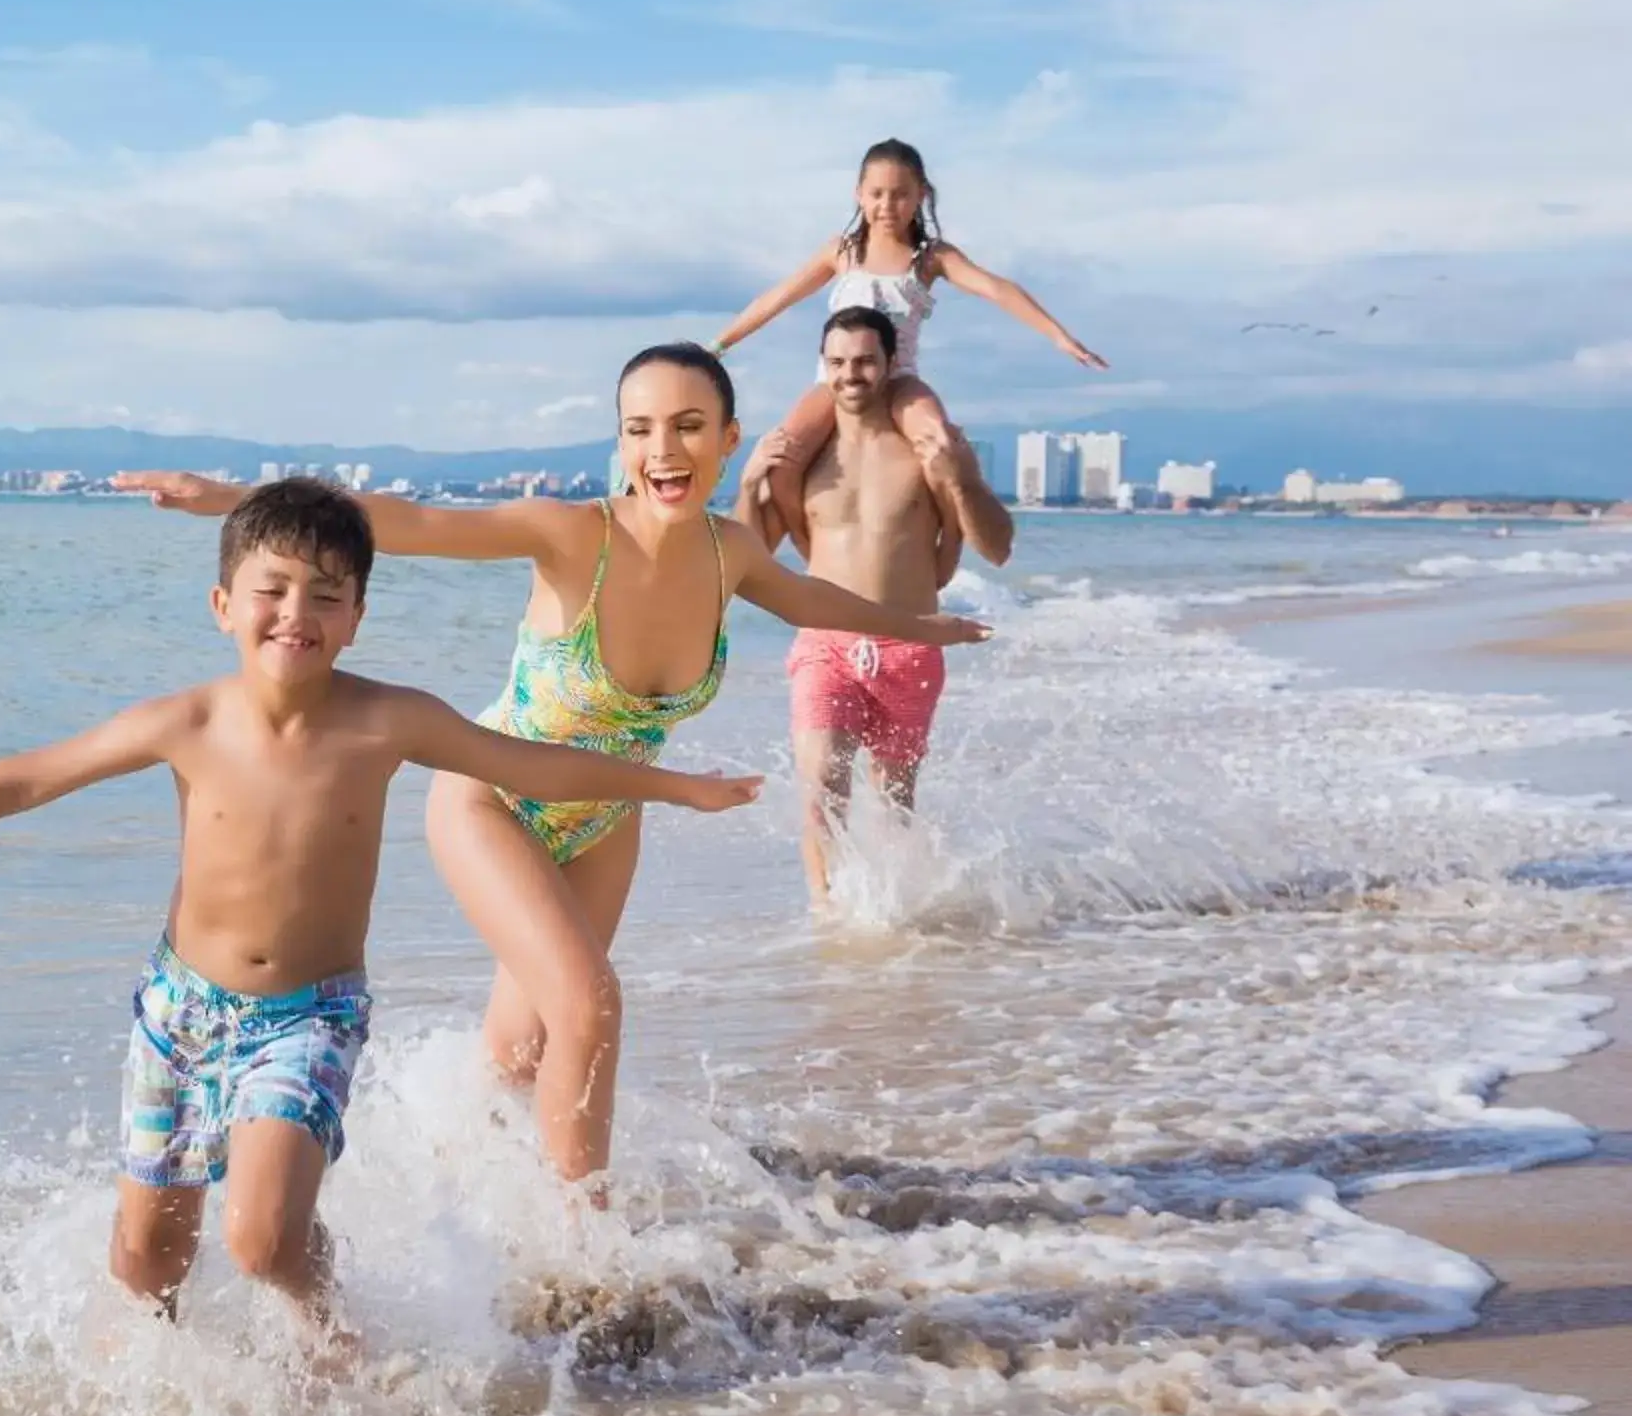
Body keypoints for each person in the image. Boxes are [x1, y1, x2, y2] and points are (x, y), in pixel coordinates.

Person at [0, 479, 761, 1353]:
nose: (298, 613)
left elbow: (530, 764)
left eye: (327, 594)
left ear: (359, 614)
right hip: (179, 1012)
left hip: (311, 1015)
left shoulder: (389, 719)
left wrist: (669, 784)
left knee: (260, 1241)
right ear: (222, 605)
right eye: (273, 589)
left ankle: (331, 1330)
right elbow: (27, 779)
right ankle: (170, 1393)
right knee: (147, 1265)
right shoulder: (188, 723)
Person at [118, 345, 988, 1191]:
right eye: (640, 428)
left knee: (519, 1054)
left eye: (689, 426)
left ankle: (452, 1187)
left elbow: (811, 600)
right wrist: (235, 500)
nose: (662, 451)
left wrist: (923, 626)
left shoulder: (733, 554)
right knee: (591, 1004)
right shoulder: (574, 535)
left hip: (606, 816)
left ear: (730, 439)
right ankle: (585, 1242)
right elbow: (411, 521)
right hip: (491, 800)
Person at [713, 137, 1104, 556]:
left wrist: (1058, 335)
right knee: (781, 458)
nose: (887, 206)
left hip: (899, 379)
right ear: (858, 194)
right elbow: (778, 297)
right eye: (877, 194)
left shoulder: (930, 257)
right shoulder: (842, 252)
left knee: (939, 441)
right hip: (834, 381)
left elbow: (996, 289)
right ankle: (804, 543)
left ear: (921, 195)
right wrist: (720, 344)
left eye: (900, 195)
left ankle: (948, 543)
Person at [744, 307, 1013, 904]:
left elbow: (998, 548)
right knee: (820, 791)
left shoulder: (925, 453)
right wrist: (748, 484)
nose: (850, 375)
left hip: (910, 646)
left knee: (893, 802)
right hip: (827, 645)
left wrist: (964, 478)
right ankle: (829, 920)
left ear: (891, 364)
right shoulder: (806, 460)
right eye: (837, 363)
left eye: (865, 360)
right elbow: (751, 557)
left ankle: (892, 924)